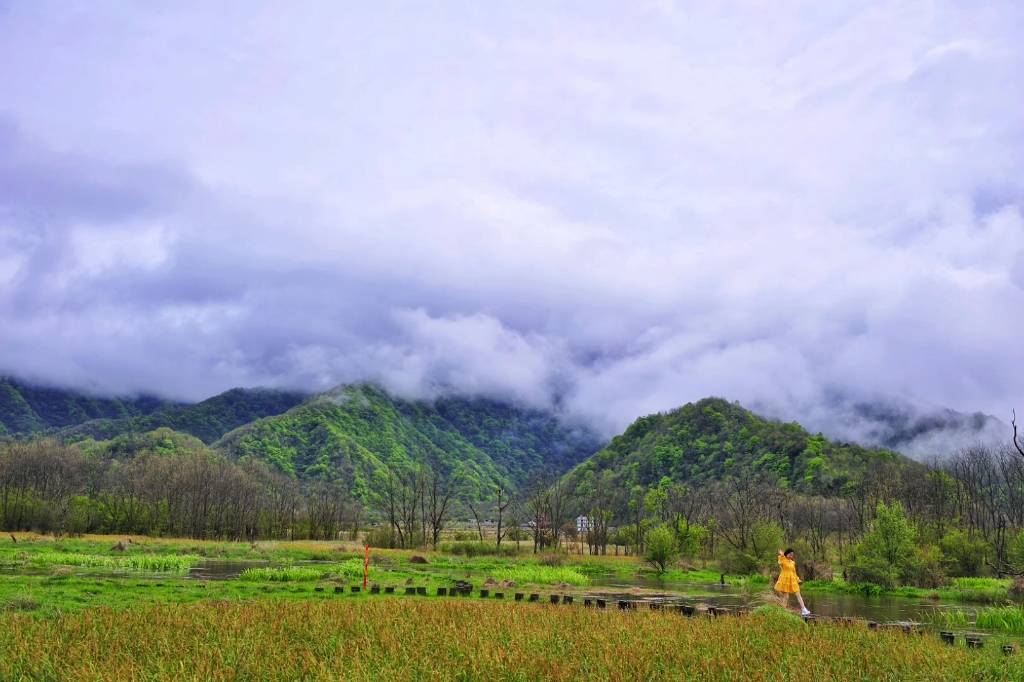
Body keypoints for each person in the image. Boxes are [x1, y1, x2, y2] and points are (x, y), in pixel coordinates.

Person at [776, 548, 810, 616]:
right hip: (785, 580)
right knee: (786, 596)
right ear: (786, 554)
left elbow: (794, 572)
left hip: (792, 579)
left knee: (798, 593)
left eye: (792, 555)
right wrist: (783, 555)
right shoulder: (783, 561)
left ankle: (803, 609)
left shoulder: (792, 562)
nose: (791, 556)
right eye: (790, 555)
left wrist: (798, 580)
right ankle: (783, 610)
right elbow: (780, 561)